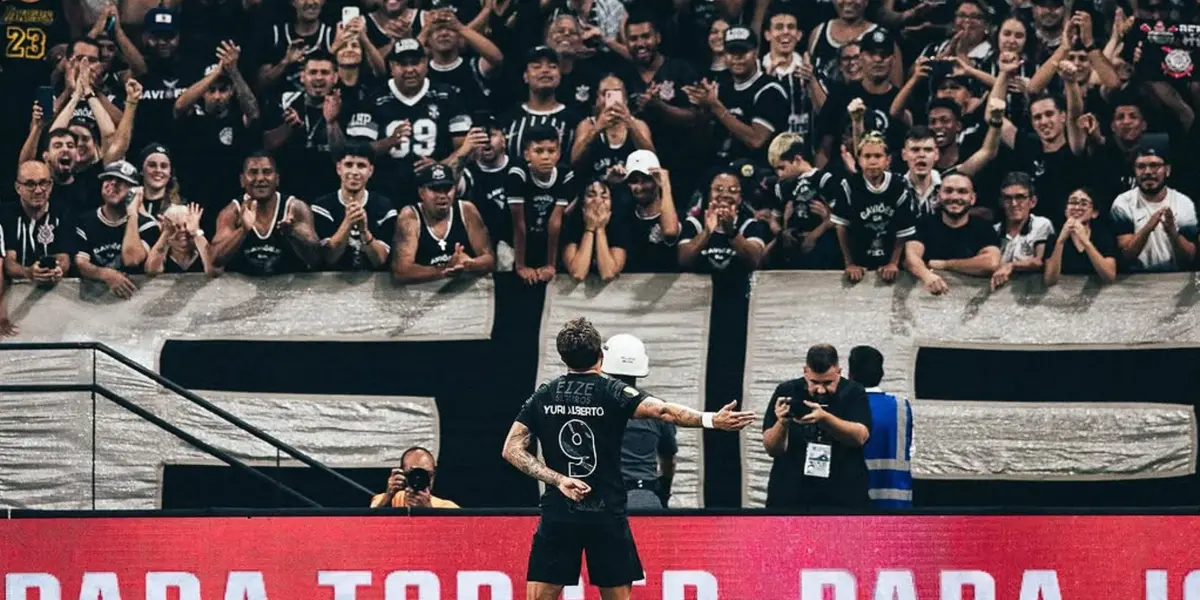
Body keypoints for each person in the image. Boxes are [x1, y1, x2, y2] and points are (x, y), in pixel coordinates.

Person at [502, 317, 753, 600]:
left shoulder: (543, 396)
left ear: (563, 358)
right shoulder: (613, 392)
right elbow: (664, 412)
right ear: (600, 356)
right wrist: (711, 420)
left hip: (560, 512)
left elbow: (511, 449)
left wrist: (558, 479)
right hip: (606, 514)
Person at [761, 343, 871, 509]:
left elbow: (860, 436)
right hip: (792, 493)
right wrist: (782, 423)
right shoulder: (787, 391)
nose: (820, 390)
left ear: (839, 372)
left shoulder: (853, 392)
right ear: (805, 372)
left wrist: (825, 418)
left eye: (828, 383)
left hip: (843, 493)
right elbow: (772, 448)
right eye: (814, 382)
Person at [210, 152, 322, 275]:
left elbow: (315, 259)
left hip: (289, 289)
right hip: (243, 290)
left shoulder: (295, 208)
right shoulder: (232, 212)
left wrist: (293, 234)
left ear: (277, 179)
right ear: (242, 180)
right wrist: (243, 231)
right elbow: (215, 259)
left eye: (267, 172)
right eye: (253, 172)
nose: (260, 178)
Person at [602, 333, 677, 510]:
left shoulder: (592, 407)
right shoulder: (658, 409)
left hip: (603, 498)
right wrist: (664, 490)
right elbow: (669, 460)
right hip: (644, 498)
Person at [392, 163, 495, 282]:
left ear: (455, 189)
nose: (442, 195)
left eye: (447, 189)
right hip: (421, 296)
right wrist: (445, 270)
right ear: (421, 193)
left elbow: (489, 259)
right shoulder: (410, 216)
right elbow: (402, 271)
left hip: (464, 295)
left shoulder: (467, 210)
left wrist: (469, 264)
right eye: (435, 189)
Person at [904, 174, 1002, 295]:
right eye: (948, 191)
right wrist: (927, 276)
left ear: (972, 198)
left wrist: (945, 264)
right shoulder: (924, 224)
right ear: (939, 196)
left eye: (962, 192)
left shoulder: (983, 228)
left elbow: (991, 263)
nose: (954, 197)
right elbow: (910, 257)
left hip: (969, 299)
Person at [72, 161, 159, 298]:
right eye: (108, 179)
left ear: (134, 190)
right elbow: (81, 263)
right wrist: (106, 274)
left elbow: (132, 259)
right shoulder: (85, 221)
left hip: (136, 300)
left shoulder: (147, 225)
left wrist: (132, 213)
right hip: (94, 304)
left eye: (121, 181)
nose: (113, 184)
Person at [1111, 147, 1198, 273]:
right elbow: (1126, 256)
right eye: (1141, 166)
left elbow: (1190, 257)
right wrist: (1147, 228)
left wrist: (1173, 232)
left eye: (1154, 166)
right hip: (1134, 279)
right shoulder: (1122, 203)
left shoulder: (1184, 203)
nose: (1147, 172)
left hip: (1175, 276)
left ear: (1167, 170)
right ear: (1134, 171)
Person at [312, 143, 397, 271]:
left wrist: (364, 231)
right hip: (331, 283)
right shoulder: (321, 207)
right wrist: (348, 222)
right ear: (339, 168)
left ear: (370, 171)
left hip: (374, 283)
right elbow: (328, 258)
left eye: (361, 166)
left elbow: (380, 260)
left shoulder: (385, 208)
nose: (354, 172)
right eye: (349, 165)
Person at [848, 345, 912, 509]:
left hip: (852, 503)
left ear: (850, 375)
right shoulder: (901, 406)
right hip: (896, 502)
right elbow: (910, 449)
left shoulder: (845, 406)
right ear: (881, 373)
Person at [3, 161, 70, 287]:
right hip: (13, 292)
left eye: (44, 183)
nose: (38, 190)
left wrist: (56, 270)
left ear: (51, 186)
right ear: (18, 188)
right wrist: (29, 273)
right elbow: (8, 262)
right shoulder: (6, 215)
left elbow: (64, 257)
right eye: (30, 184)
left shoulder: (62, 213)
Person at [1044, 187, 1118, 285]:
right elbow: (1049, 280)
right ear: (1066, 209)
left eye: (1084, 204)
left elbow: (1109, 277)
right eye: (1073, 203)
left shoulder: (1103, 236)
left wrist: (1085, 242)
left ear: (1094, 213)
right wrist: (1060, 241)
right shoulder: (1054, 238)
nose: (1077, 207)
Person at [562, 179, 629, 281]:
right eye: (591, 196)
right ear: (582, 202)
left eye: (604, 197)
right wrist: (589, 228)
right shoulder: (573, 224)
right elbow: (578, 273)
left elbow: (608, 273)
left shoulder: (619, 225)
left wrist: (600, 229)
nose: (598, 201)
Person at [369, 446, 460, 508]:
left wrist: (428, 511)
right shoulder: (385, 499)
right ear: (401, 474)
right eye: (413, 473)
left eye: (426, 474)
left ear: (433, 476)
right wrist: (388, 496)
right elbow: (368, 527)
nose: (418, 478)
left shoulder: (447, 508)